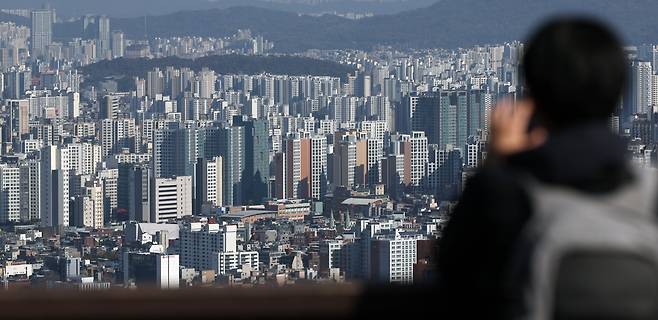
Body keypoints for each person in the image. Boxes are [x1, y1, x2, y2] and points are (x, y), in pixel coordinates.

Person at [437, 18, 633, 318]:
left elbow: (452, 276)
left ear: (534, 94)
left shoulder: (508, 197)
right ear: (619, 92)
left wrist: (495, 164)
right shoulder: (650, 192)